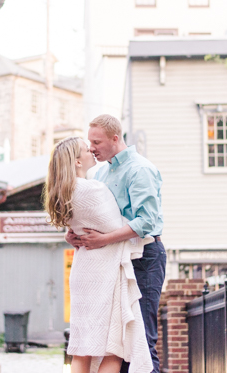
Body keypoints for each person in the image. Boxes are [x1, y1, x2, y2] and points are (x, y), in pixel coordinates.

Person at [67, 114, 166, 373]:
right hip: (111, 261)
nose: (91, 148)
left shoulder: (139, 169)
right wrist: (73, 235)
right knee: (117, 340)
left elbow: (146, 221)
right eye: (89, 142)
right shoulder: (99, 173)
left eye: (97, 142)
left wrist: (103, 240)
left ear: (115, 138)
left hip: (143, 257)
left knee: (141, 338)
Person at [45, 137, 153, 373]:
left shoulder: (63, 192)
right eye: (86, 149)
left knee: (82, 347)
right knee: (114, 346)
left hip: (84, 270)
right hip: (105, 272)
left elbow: (78, 228)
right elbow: (117, 226)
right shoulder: (91, 188)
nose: (91, 151)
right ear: (76, 161)